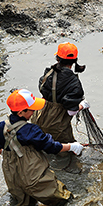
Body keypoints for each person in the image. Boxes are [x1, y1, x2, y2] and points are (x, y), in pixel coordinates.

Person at [0, 89, 84, 206]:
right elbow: (51, 147)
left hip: (12, 175)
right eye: (31, 109)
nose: (35, 110)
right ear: (21, 113)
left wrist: (5, 152)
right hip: (32, 173)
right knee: (62, 199)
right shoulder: (31, 130)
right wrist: (72, 146)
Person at [33, 43, 89, 172]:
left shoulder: (48, 73)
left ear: (57, 58)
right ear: (75, 61)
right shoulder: (73, 82)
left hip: (39, 117)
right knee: (66, 153)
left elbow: (44, 91)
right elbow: (71, 111)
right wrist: (82, 105)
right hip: (57, 125)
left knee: (43, 146)